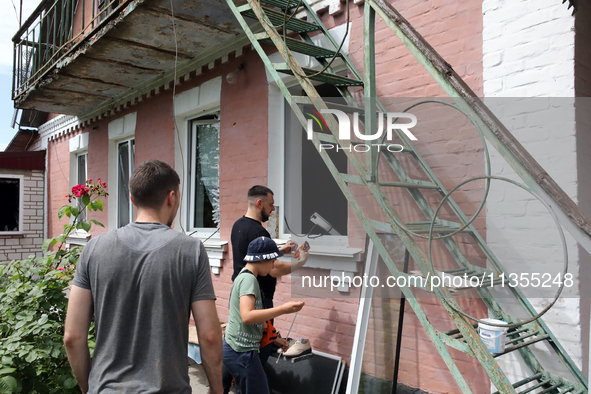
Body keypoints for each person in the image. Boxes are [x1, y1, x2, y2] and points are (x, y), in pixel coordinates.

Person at [64, 160, 223, 394]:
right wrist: (218, 390)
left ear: (132, 200)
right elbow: (209, 336)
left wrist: (91, 388)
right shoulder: (191, 251)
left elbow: (72, 337)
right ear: (172, 198)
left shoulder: (94, 249)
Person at [223, 237, 304, 394]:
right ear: (261, 260)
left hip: (237, 349)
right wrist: (283, 309)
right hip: (241, 352)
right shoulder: (249, 280)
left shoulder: (245, 275)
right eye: (272, 260)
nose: (274, 264)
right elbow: (247, 316)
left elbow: (249, 316)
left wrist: (272, 338)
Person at [231, 185, 309, 309]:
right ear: (259, 203)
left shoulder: (238, 225)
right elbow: (274, 269)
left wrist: (279, 251)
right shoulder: (259, 233)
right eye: (271, 204)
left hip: (240, 294)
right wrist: (301, 262)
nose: (273, 208)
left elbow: (253, 256)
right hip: (257, 298)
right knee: (260, 329)